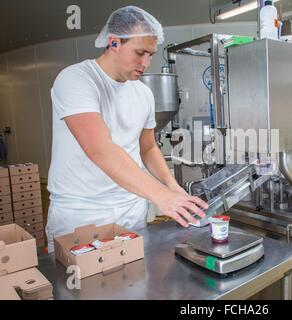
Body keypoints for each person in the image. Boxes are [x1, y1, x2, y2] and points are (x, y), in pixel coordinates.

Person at [45, 6, 207, 252]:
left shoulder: (143, 93)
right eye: (140, 52)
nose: (146, 62)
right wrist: (161, 197)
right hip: (81, 214)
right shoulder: (76, 80)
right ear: (114, 43)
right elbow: (101, 149)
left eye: (151, 54)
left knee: (132, 287)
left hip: (130, 210)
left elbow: (148, 147)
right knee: (82, 289)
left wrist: (171, 187)